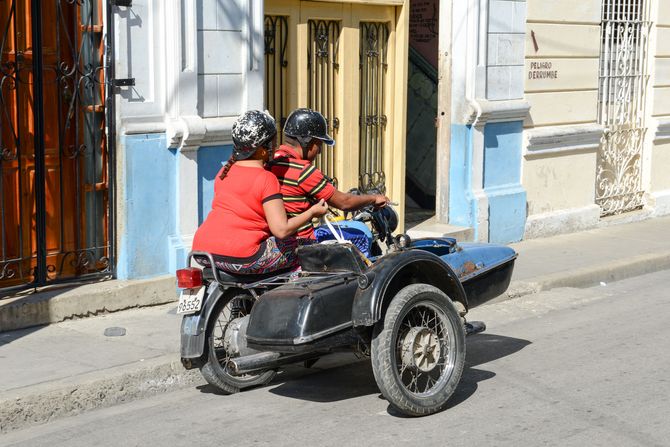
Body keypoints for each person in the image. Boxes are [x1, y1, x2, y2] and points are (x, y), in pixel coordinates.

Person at [192, 110, 328, 275]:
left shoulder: (223, 172)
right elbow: (281, 230)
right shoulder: (266, 178)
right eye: (273, 143)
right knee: (307, 248)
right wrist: (312, 212)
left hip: (202, 251)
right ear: (263, 150)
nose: (276, 147)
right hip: (242, 256)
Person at [268, 108, 389, 240]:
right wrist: (373, 198)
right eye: (319, 145)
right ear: (308, 143)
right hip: (303, 239)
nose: (319, 152)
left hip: (278, 237)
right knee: (362, 235)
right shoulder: (303, 171)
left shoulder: (272, 160)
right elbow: (345, 202)